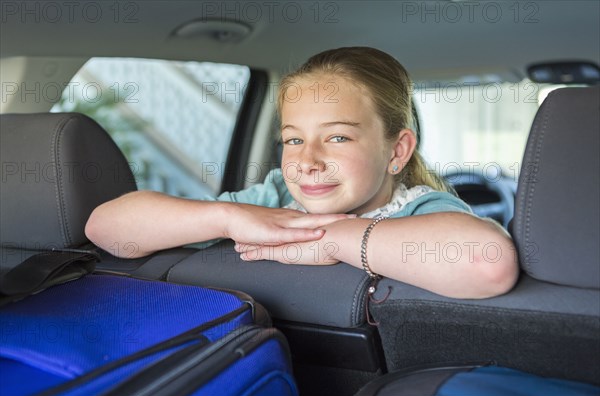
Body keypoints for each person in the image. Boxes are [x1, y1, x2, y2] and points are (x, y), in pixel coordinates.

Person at [85, 47, 518, 299]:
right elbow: (105, 227)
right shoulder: (273, 200)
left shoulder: (420, 208)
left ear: (397, 149)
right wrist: (224, 217)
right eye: (293, 139)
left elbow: (487, 262)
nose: (306, 160)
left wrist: (328, 240)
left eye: (338, 138)